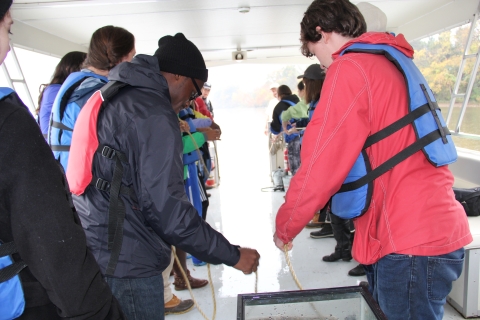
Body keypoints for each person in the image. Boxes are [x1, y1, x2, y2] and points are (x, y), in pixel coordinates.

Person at [274, 1, 472, 319]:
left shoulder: (350, 68)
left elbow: (319, 164)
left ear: (321, 33)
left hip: (407, 242)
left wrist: (285, 226)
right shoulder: (392, 60)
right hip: (431, 232)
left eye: (312, 51)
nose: (321, 64)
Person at [68, 32, 260, 320]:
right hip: (127, 261)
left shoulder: (122, 94)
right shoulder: (152, 114)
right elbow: (168, 211)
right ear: (179, 76)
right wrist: (232, 255)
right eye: (194, 92)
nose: (190, 102)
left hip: (100, 246)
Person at [0, 2, 125, 319]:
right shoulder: (7, 121)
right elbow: (49, 239)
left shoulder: (60, 93)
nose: (9, 43)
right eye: (8, 28)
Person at [48, 25, 135, 171]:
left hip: (64, 172)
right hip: (82, 182)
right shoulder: (96, 92)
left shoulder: (77, 81)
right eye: (132, 57)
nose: (132, 64)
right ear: (121, 60)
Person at [37, 51, 86, 136]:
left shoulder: (56, 89)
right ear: (69, 68)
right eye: (84, 67)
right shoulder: (55, 90)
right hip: (56, 144)